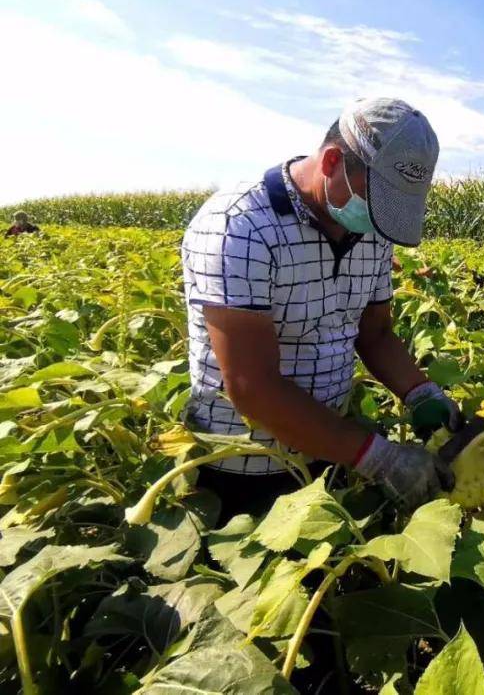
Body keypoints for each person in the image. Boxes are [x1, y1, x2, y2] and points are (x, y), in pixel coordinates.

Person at [181, 98, 462, 521]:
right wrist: (379, 458)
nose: (375, 221)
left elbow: (376, 334)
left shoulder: (372, 230)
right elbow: (252, 386)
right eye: (376, 201)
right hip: (242, 464)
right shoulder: (240, 225)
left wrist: (420, 393)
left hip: (333, 450)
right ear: (332, 161)